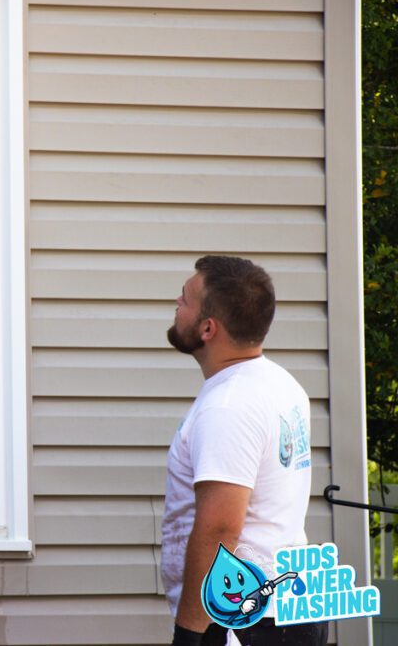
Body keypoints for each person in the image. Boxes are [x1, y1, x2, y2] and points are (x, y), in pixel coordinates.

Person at [161, 256, 327, 646]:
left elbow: (220, 528)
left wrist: (190, 634)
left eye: (184, 299)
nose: (176, 304)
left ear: (207, 328)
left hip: (242, 620)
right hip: (285, 610)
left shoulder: (228, 406)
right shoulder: (282, 385)